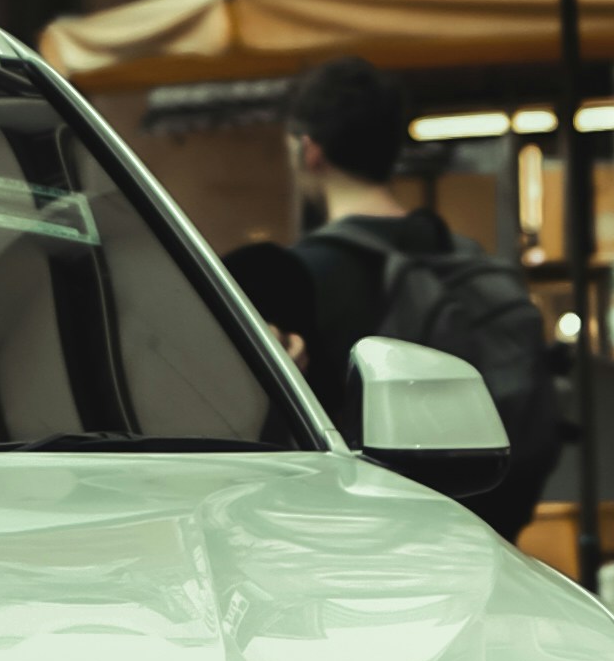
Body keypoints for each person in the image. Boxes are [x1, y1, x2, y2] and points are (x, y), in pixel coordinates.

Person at [227, 58, 555, 522]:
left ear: (309, 151)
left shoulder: (287, 279)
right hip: (487, 538)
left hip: (361, 550)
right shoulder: (468, 260)